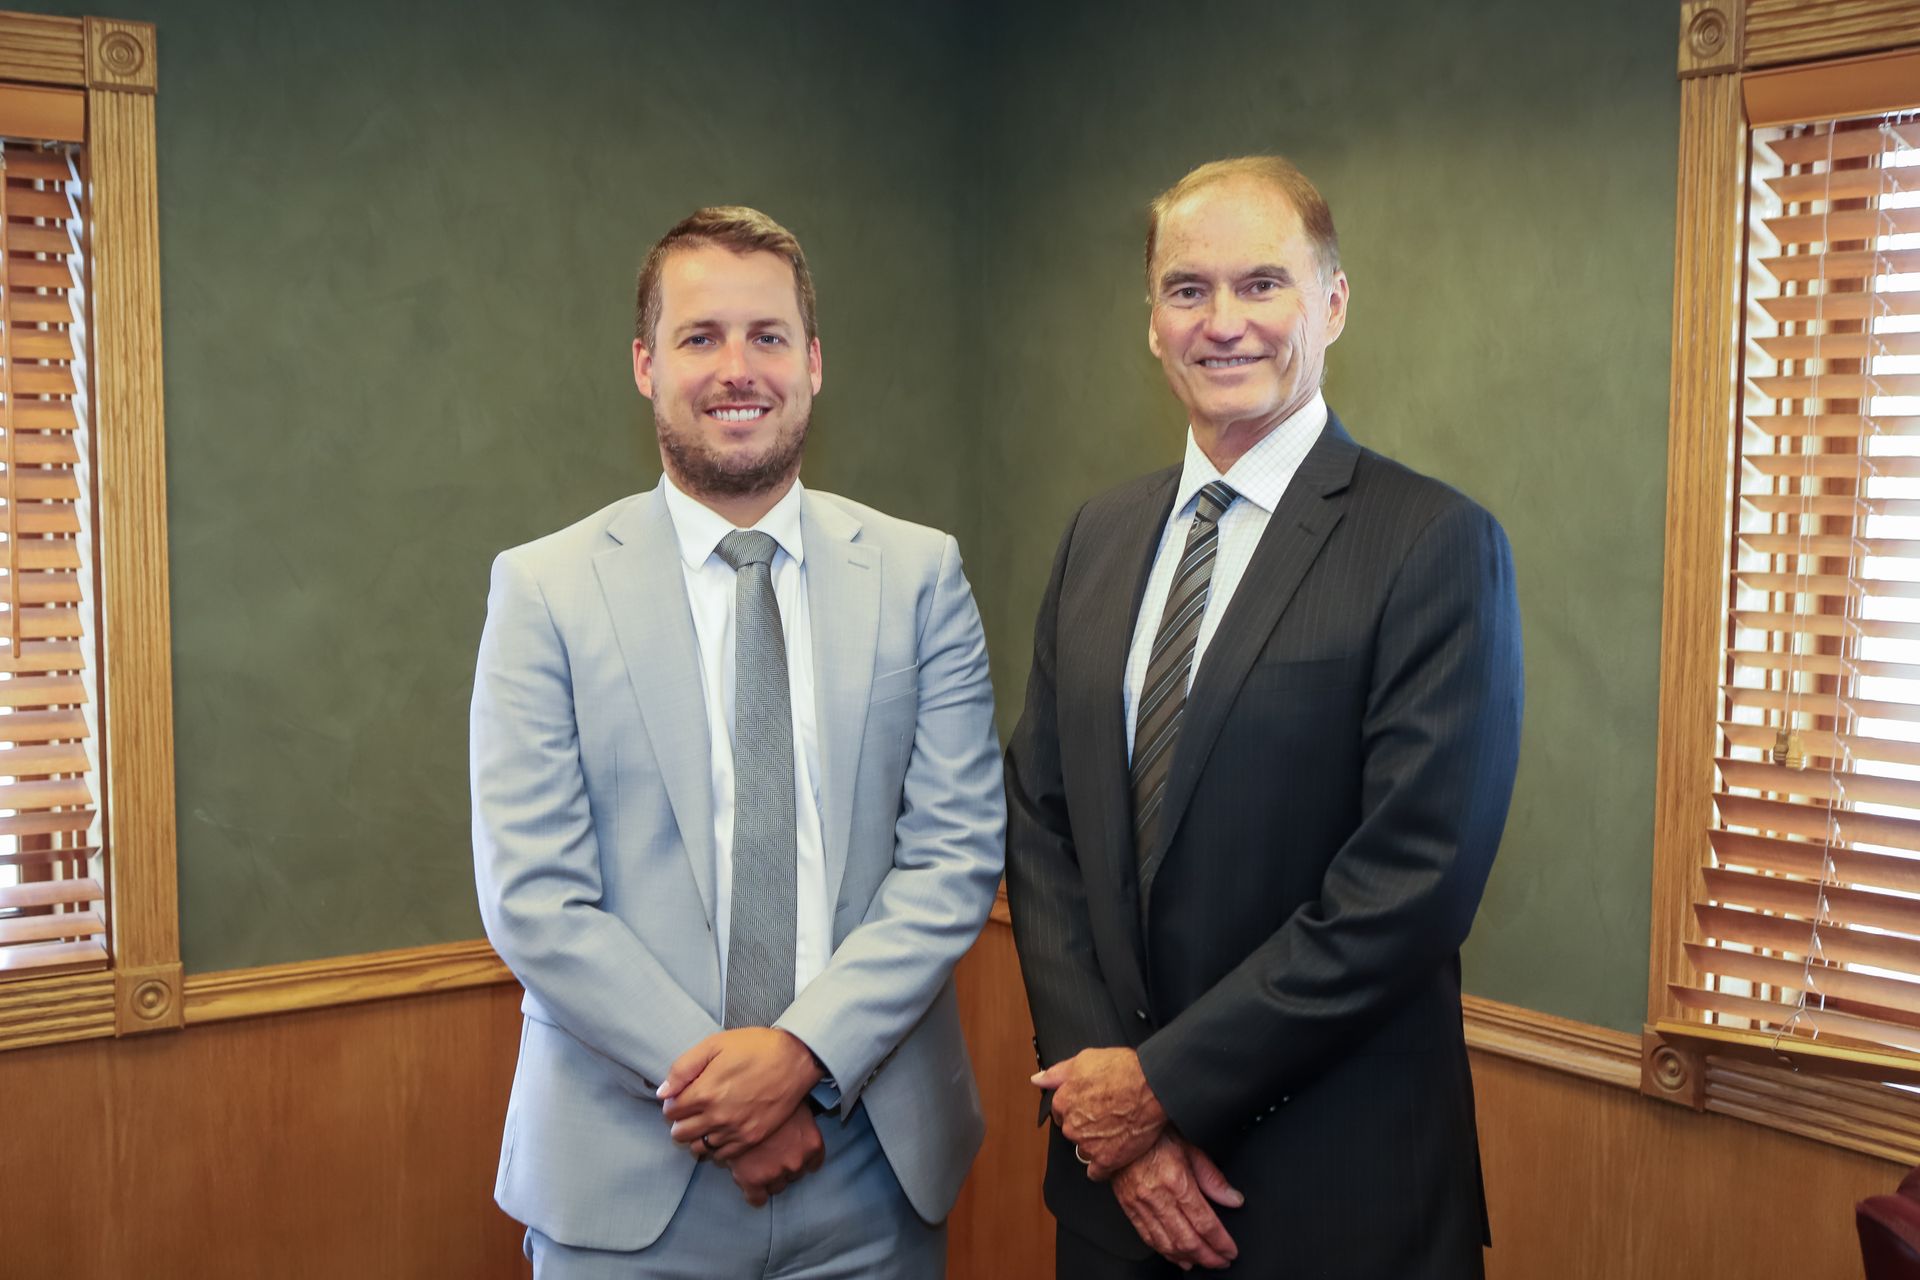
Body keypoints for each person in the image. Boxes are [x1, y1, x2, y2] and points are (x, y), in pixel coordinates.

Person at [1004, 156, 1524, 1278]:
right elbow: (1042, 827)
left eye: (1263, 284)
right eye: (1188, 289)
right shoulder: (1099, 536)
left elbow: (1410, 882)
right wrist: (1109, 1096)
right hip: (1111, 1196)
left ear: (1332, 303)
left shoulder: (1433, 544)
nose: (1223, 322)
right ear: (1152, 322)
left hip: (1327, 1191)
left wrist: (1161, 1088)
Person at [472, 205, 1004, 1279]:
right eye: (698, 336)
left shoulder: (919, 576)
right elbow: (535, 894)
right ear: (644, 363)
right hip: (627, 1175)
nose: (736, 368)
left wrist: (800, 1058)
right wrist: (729, 1097)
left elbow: (951, 858)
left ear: (813, 362)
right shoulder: (544, 588)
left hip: (872, 1166)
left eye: (767, 336)